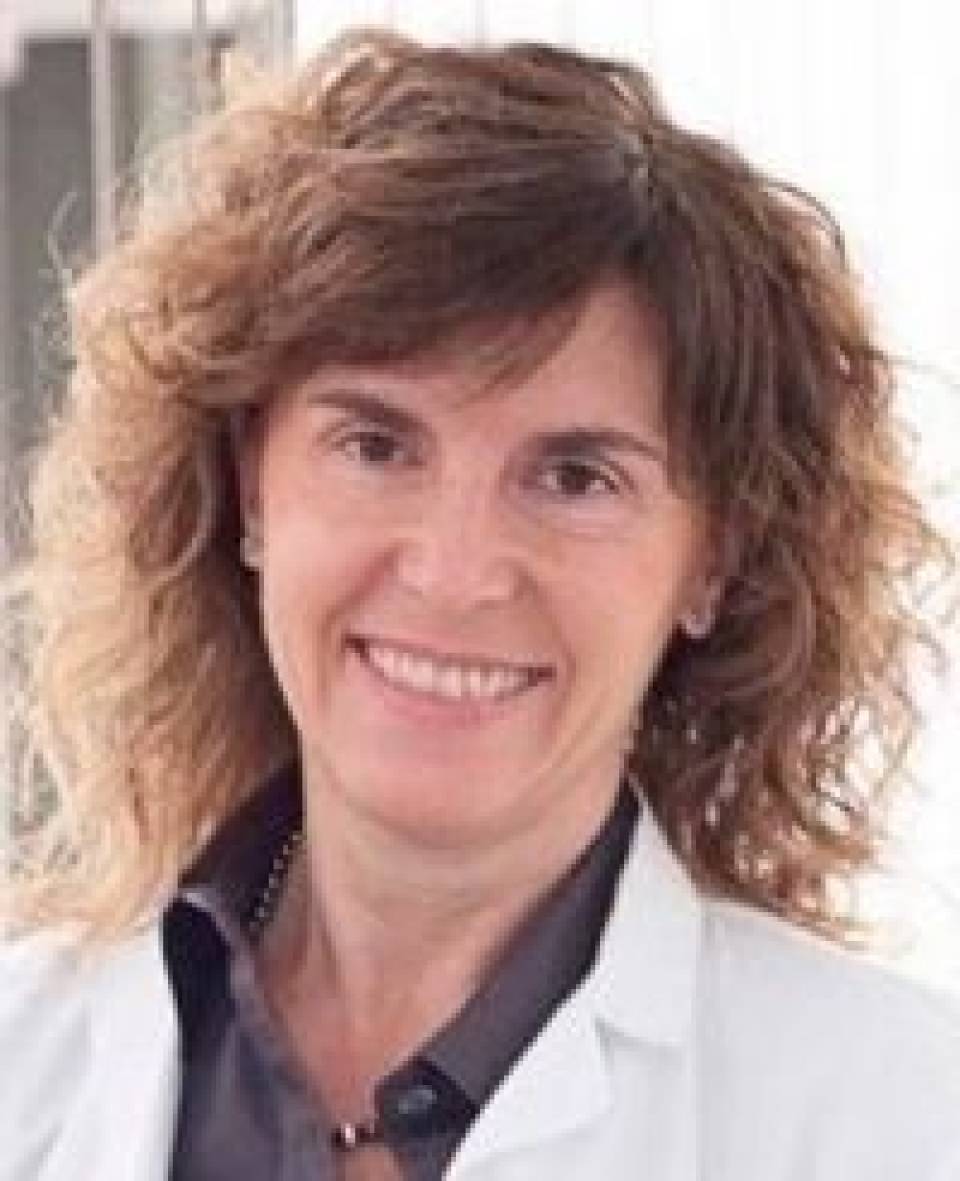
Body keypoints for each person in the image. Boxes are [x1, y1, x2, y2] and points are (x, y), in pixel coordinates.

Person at [2, 26, 959, 1181]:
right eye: (376, 444)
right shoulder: (26, 1062)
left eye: (575, 477)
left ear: (713, 560)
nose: (455, 571)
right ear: (253, 485)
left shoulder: (901, 1115)